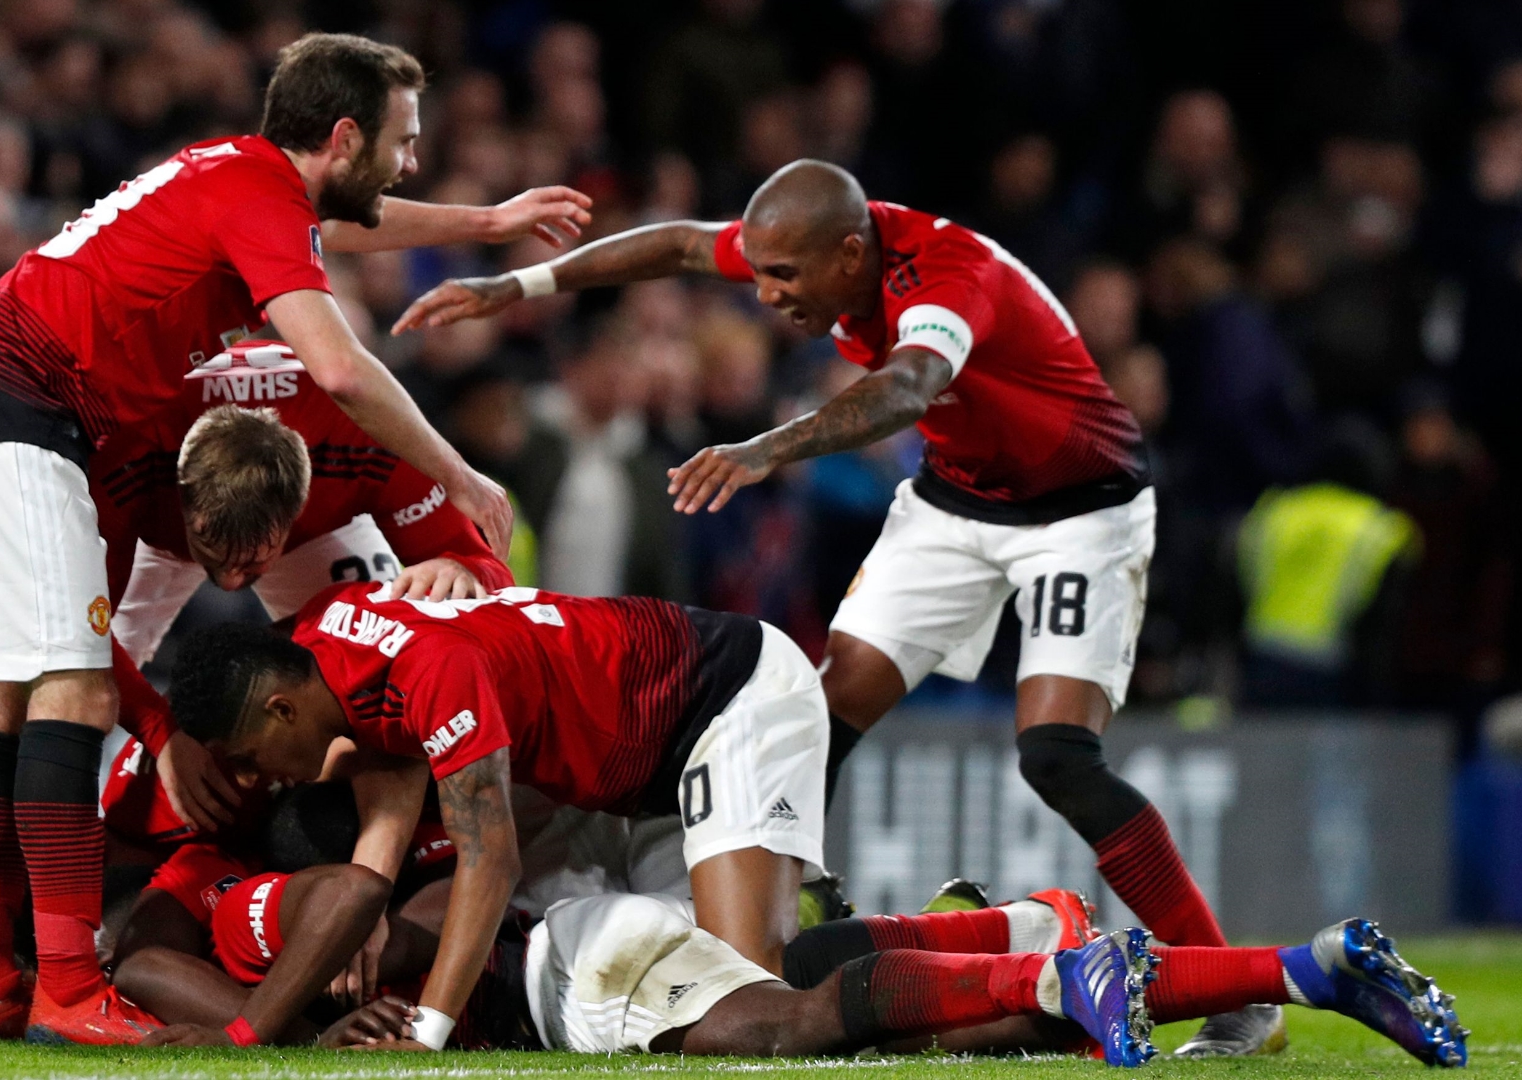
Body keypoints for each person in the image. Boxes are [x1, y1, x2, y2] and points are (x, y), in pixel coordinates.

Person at [395, 158, 1277, 1056]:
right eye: (764, 274)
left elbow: (908, 387)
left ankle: (1232, 989)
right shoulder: (809, 238)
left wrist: (769, 447)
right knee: (823, 710)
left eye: (785, 278)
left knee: (1057, 754)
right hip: (955, 501)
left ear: (851, 253)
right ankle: (820, 912)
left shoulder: (946, 276)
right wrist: (519, 282)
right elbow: (682, 246)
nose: (769, 295)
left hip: (1080, 509)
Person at [0, 31, 591, 1045]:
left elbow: (346, 228)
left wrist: (487, 222)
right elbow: (343, 368)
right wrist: (457, 470)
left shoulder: (236, 177)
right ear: (344, 136)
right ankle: (68, 989)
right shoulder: (258, 198)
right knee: (79, 689)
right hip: (22, 412)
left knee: (5, 694)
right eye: (401, 141)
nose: (408, 162)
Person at [0, 341, 516, 1036]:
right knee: (62, 682)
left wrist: (466, 575)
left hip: (304, 519)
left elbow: (492, 593)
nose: (236, 582)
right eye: (217, 555)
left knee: (379, 672)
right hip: (147, 516)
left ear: (299, 508)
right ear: (187, 507)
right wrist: (161, 736)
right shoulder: (129, 464)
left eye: (256, 561)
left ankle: (14, 928)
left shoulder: (362, 444)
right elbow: (76, 639)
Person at [166, 579, 828, 1051]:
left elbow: (490, 858)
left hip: (725, 697)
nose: (253, 779)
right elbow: (387, 753)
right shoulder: (324, 627)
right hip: (617, 767)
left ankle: (812, 911)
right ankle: (781, 900)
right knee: (565, 944)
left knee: (743, 994)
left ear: (282, 710)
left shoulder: (433, 674)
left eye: (248, 756)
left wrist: (426, 1033)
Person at [128, 862, 1467, 1068]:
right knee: (881, 1016)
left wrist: (394, 1009)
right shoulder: (296, 861)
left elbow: (376, 910)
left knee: (797, 1022)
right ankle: (1299, 969)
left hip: (578, 965)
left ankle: (1047, 969)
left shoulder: (273, 896)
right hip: (604, 925)